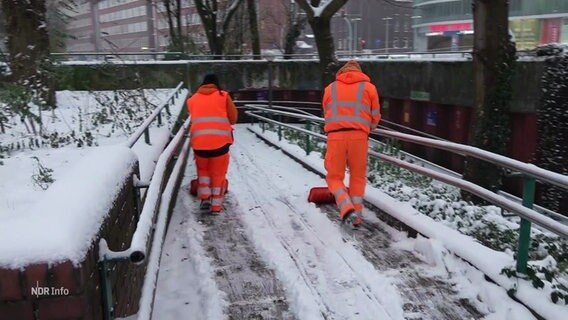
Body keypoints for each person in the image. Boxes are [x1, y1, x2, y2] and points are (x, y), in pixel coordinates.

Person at [322, 60, 381, 227]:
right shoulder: (369, 88)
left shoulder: (330, 89)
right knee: (357, 176)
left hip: (335, 137)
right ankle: (357, 215)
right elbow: (375, 116)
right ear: (360, 72)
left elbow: (327, 112)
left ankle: (346, 207)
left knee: (334, 176)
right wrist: (366, 127)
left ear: (341, 73)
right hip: (359, 137)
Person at [187, 73, 238, 213]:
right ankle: (216, 206)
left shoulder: (192, 100)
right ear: (216, 84)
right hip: (220, 144)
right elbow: (233, 118)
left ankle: (204, 198)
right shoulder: (223, 96)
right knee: (218, 174)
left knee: (203, 172)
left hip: (199, 144)